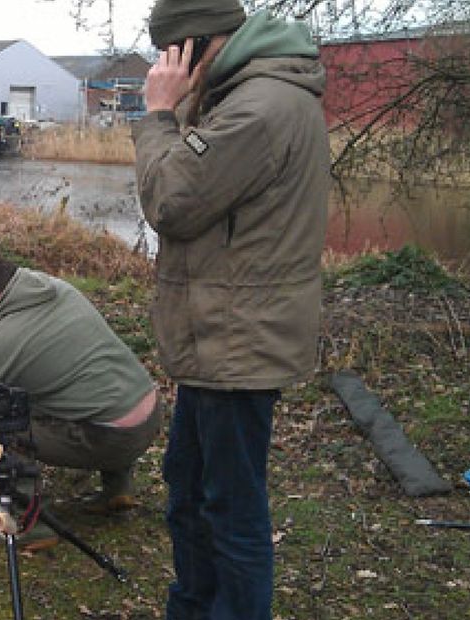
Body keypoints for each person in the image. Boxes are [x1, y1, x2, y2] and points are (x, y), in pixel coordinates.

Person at [132, 1, 329, 618]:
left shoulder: (259, 108)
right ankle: (191, 607)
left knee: (231, 510)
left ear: (189, 48)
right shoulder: (243, 93)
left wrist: (161, 113)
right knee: (189, 494)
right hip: (219, 339)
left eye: (169, 55)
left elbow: (171, 200)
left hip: (239, 343)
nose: (163, 69)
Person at [0, 246, 163, 547]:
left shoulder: (3, 339)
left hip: (111, 439)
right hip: (149, 412)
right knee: (92, 390)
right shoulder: (51, 288)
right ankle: (118, 487)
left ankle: (27, 522)